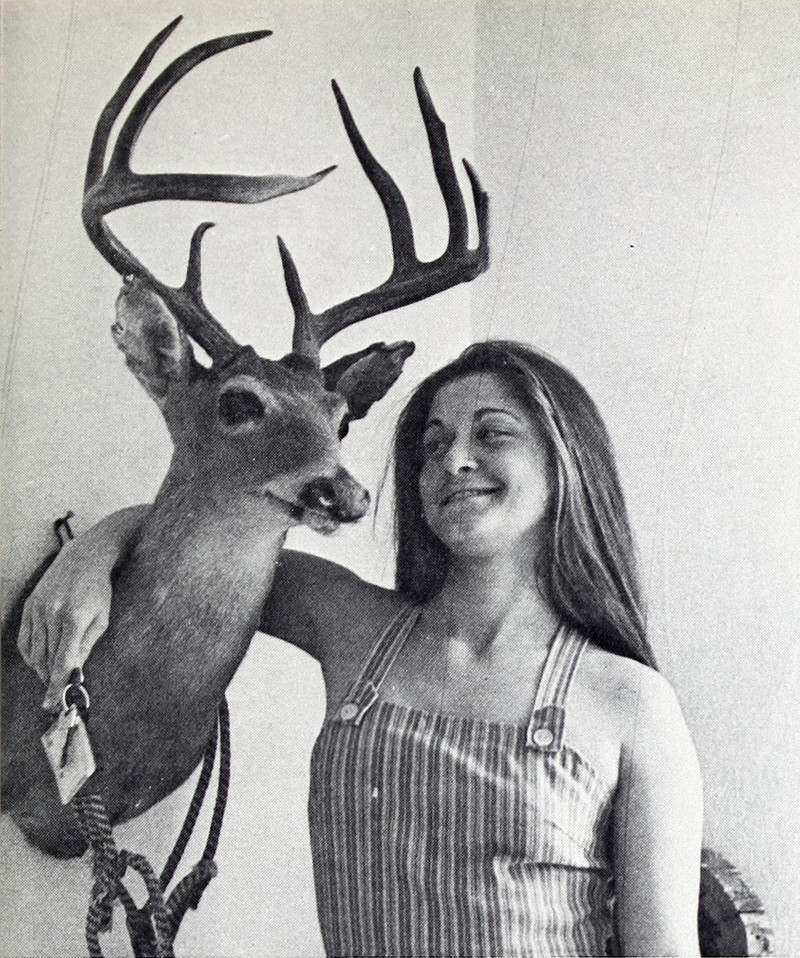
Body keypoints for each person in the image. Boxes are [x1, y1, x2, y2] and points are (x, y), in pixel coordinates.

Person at [19, 339, 703, 957]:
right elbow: (198, 529)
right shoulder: (352, 624)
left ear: (565, 460)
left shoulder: (633, 703)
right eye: (432, 445)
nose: (454, 460)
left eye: (492, 434)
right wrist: (91, 551)